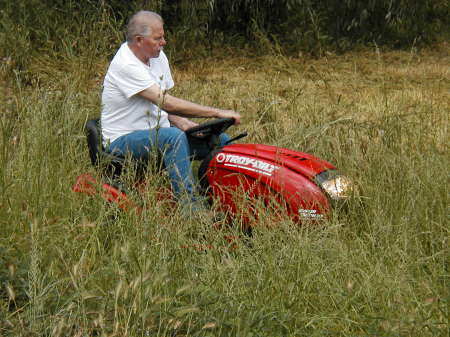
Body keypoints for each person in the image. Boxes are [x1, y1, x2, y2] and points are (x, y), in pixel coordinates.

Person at [101, 10, 240, 210]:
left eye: (163, 36)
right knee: (172, 138)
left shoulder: (157, 57)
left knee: (221, 141)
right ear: (139, 40)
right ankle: (190, 208)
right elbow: (167, 102)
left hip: (158, 134)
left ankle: (222, 199)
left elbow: (161, 106)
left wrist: (184, 123)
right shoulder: (125, 64)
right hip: (122, 140)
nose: (164, 42)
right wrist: (217, 112)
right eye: (158, 38)